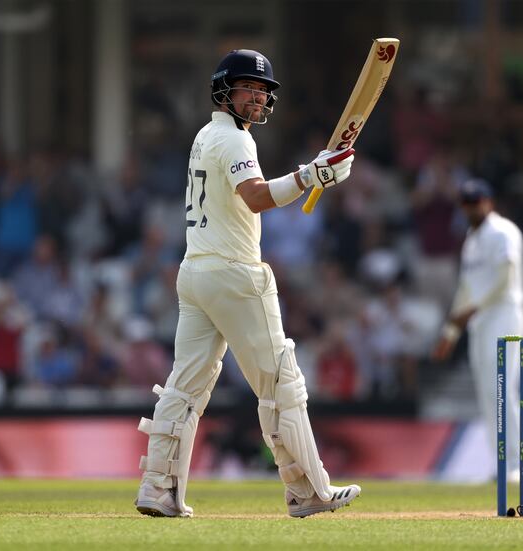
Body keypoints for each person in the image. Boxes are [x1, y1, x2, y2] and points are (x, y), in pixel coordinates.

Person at [134, 49, 360, 518]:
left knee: (185, 388)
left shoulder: (206, 135)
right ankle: (307, 491)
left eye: (263, 92)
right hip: (234, 274)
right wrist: (310, 175)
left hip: (194, 273)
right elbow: (256, 198)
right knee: (281, 382)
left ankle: (158, 490)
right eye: (249, 89)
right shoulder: (236, 142)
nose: (258, 98)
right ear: (224, 90)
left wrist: (310, 172)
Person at [432, 179, 523, 481]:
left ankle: (518, 465)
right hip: (480, 322)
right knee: (488, 394)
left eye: (476, 202)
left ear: (489, 202)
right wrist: (450, 332)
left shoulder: (503, 232)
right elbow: (466, 289)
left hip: (505, 314)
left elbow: (506, 277)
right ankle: (501, 464)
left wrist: (473, 309)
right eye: (467, 204)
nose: (472, 209)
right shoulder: (471, 241)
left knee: (504, 390)